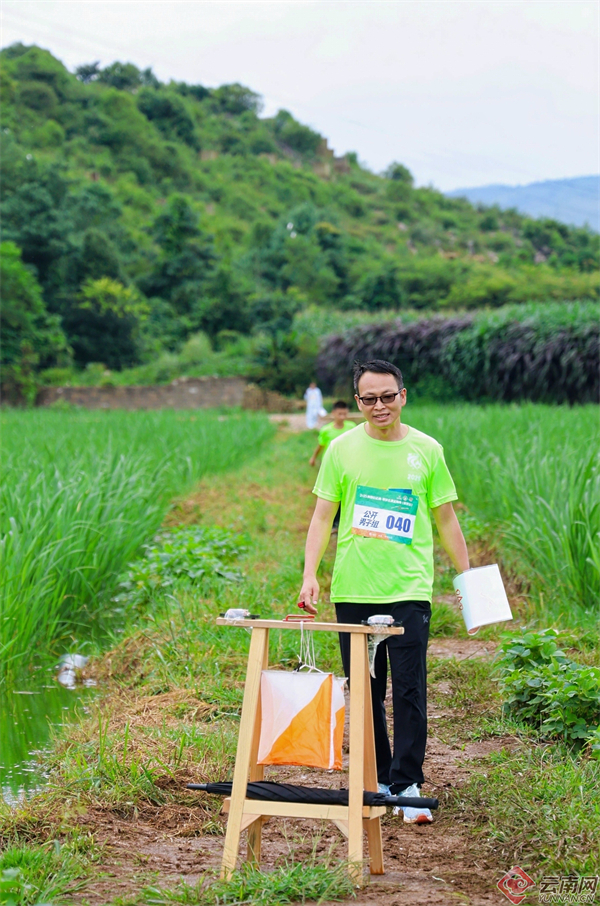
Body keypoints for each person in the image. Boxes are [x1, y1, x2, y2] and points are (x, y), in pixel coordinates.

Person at [297, 359, 470, 824]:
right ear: (358, 402)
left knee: (409, 687)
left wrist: (467, 577)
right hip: (354, 588)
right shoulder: (341, 449)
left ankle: (407, 783)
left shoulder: (427, 450)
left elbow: (446, 518)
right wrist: (310, 573)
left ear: (403, 396)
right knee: (366, 689)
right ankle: (377, 778)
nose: (380, 406)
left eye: (388, 396)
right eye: (369, 398)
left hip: (409, 588)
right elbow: (322, 516)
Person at [309, 401, 355, 468]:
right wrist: (314, 457)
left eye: (344, 414)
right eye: (340, 414)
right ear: (333, 413)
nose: (342, 417)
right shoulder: (326, 430)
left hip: (346, 461)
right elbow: (321, 445)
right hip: (330, 462)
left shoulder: (352, 427)